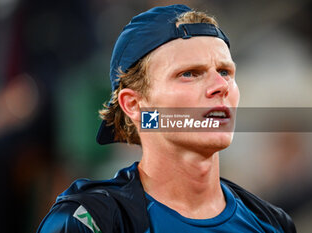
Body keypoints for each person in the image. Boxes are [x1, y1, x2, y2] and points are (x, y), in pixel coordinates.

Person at [37, 4, 296, 233]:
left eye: (225, 71)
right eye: (190, 74)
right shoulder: (89, 221)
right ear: (134, 105)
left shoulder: (272, 223)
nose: (221, 86)